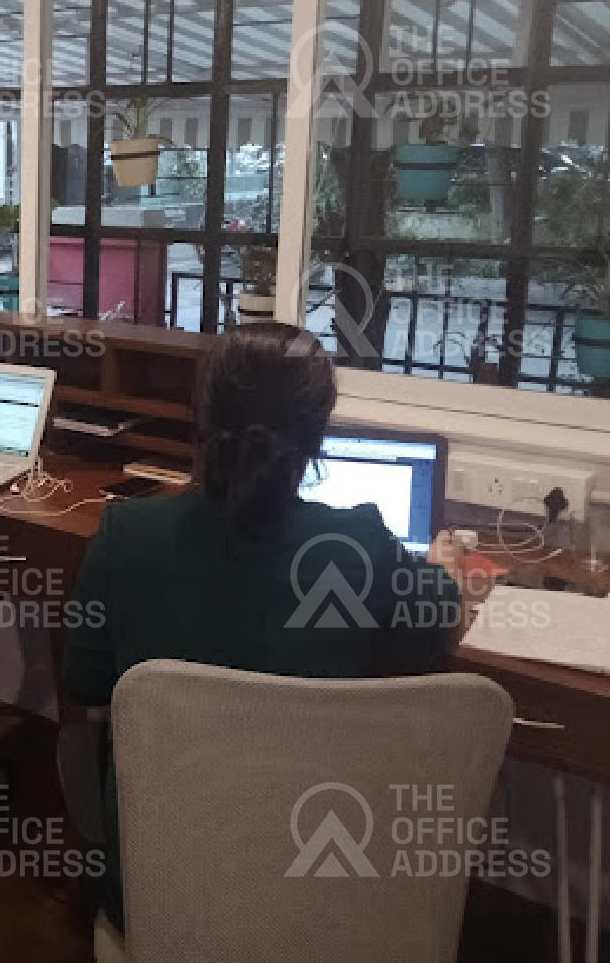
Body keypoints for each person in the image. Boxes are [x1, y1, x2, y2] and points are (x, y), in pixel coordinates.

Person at [63, 322, 494, 934]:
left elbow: (84, 682)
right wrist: (446, 570)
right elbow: (441, 621)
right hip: (322, 877)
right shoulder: (359, 542)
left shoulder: (124, 534)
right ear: (317, 433)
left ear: (201, 416)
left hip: (158, 887)